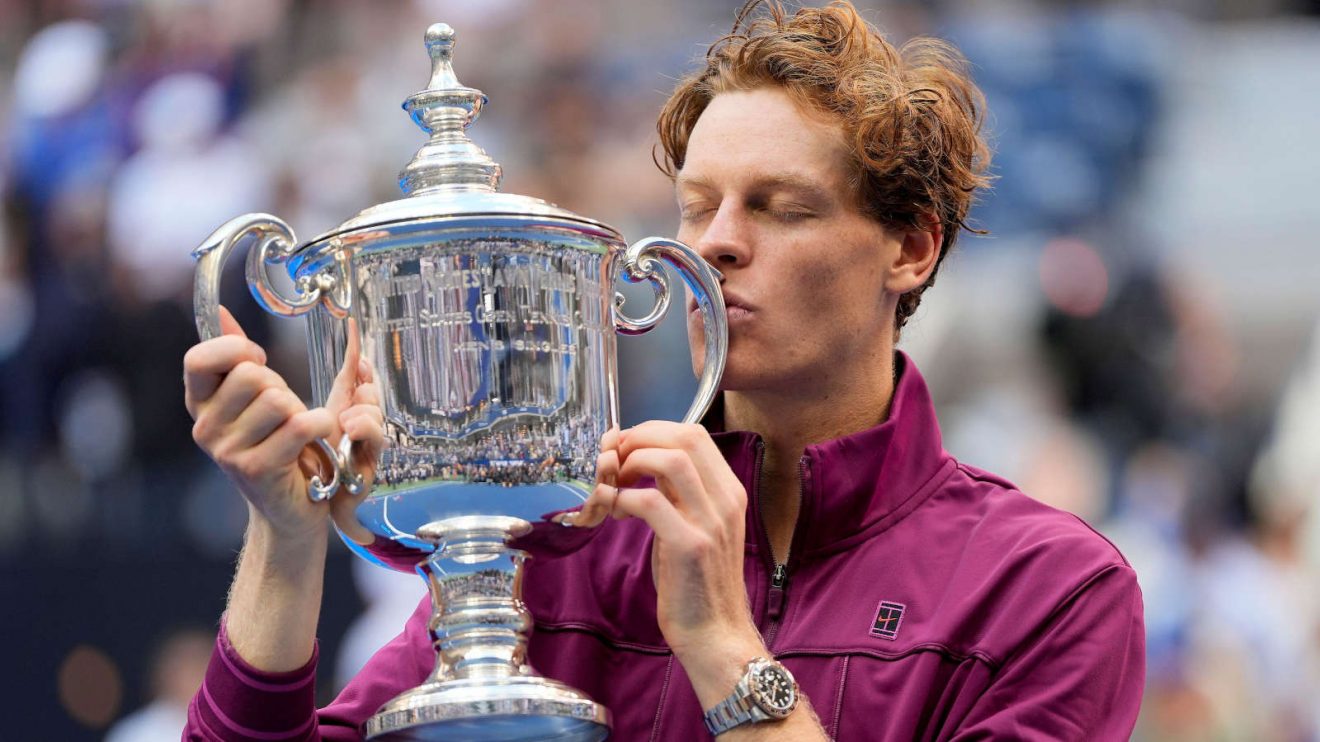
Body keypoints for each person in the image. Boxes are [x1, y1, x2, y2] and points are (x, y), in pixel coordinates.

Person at [182, 2, 1145, 739]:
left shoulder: (1048, 591)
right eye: (697, 207)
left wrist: (724, 647)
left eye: (780, 207)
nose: (715, 245)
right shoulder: (562, 555)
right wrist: (285, 538)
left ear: (912, 249)